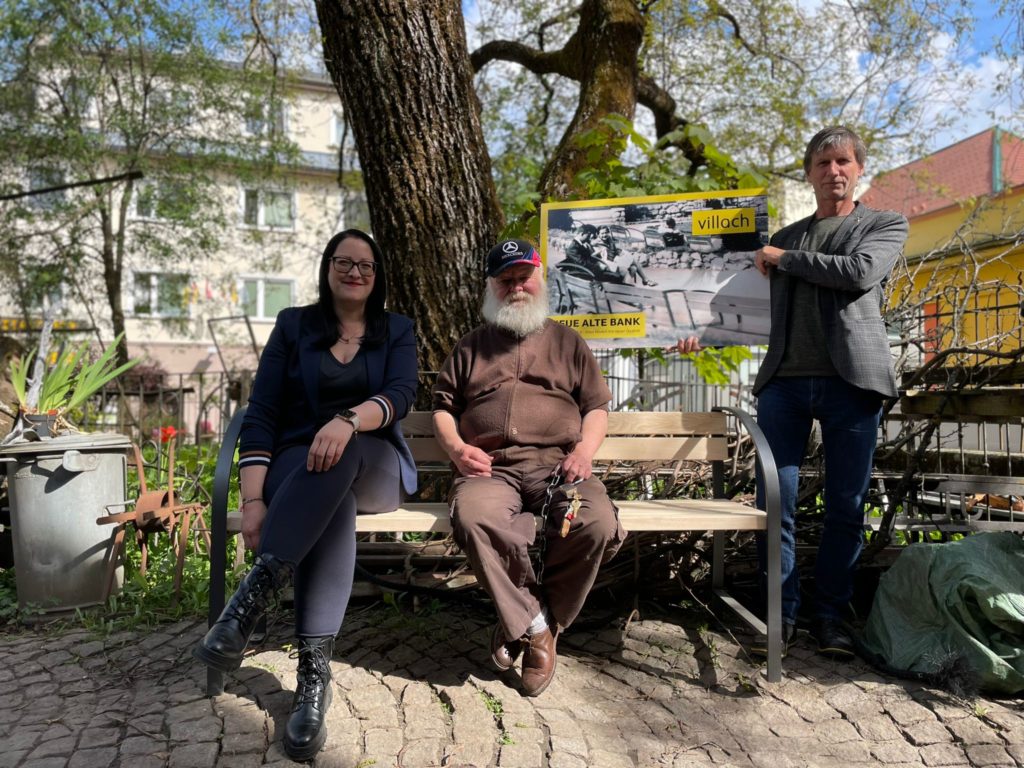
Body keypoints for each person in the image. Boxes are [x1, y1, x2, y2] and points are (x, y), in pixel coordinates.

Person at [192, 229, 418, 760]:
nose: (355, 272)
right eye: (345, 262)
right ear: (328, 267)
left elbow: (402, 394)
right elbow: (264, 411)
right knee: (329, 499)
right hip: (301, 467)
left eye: (366, 264)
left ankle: (249, 602)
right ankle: (313, 683)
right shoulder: (294, 325)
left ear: (378, 274)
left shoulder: (397, 329)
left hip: (375, 460)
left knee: (345, 453)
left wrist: (347, 420)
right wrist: (252, 501)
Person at [432, 239, 625, 696]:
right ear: (491, 287)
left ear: (541, 279)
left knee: (594, 522)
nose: (516, 286)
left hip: (561, 467)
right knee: (476, 517)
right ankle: (538, 626)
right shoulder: (471, 347)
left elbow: (596, 408)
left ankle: (522, 620)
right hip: (490, 469)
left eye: (524, 276)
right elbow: (441, 407)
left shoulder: (568, 342)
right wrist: (458, 449)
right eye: (506, 279)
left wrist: (584, 451)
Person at [751, 126, 908, 658]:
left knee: (846, 503)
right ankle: (782, 616)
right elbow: (743, 304)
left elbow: (860, 272)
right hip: (784, 386)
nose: (833, 171)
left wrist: (785, 259)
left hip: (853, 383)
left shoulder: (884, 225)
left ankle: (831, 618)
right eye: (822, 164)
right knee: (775, 502)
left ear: (859, 169)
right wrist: (696, 330)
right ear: (809, 174)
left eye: (842, 161)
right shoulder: (786, 235)